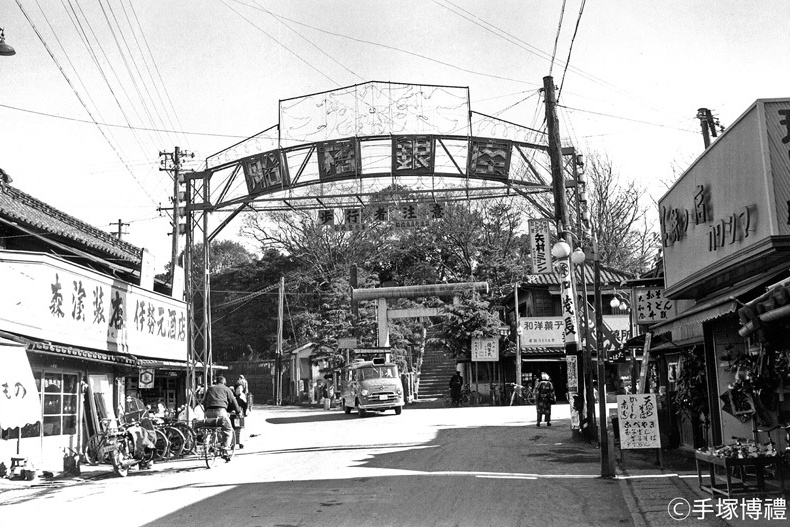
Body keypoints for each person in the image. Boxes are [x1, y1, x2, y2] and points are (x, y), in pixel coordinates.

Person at [203, 376, 241, 457]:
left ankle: (211, 444)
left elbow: (204, 402)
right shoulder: (226, 389)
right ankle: (225, 447)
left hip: (208, 412)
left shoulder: (210, 389)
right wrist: (238, 411)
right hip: (220, 412)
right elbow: (233, 402)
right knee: (228, 429)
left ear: (216, 382)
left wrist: (206, 411)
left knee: (213, 428)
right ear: (224, 382)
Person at [232, 379, 248, 449]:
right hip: (233, 414)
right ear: (235, 389)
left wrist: (245, 412)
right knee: (233, 429)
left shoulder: (243, 396)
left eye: (241, 388)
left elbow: (245, 406)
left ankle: (241, 442)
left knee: (240, 429)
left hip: (240, 414)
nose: (240, 390)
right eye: (238, 388)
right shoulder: (232, 396)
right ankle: (233, 443)